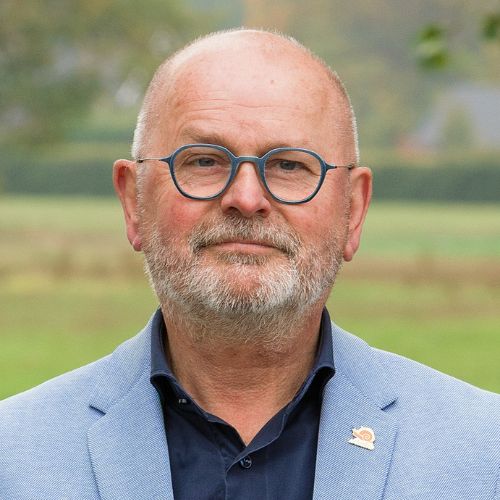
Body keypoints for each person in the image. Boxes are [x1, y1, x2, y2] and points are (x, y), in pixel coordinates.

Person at [0, 28, 499, 500]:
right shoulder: (13, 457)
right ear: (133, 201)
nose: (245, 198)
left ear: (354, 210)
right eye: (204, 160)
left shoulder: (483, 453)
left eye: (288, 165)